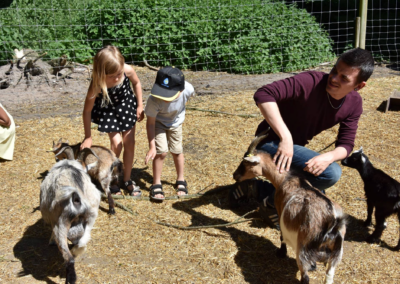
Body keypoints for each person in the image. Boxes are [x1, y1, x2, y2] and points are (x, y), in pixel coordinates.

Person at [230, 47, 375, 229]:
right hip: (268, 143)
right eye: (334, 71)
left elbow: (346, 144)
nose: (334, 78)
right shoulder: (310, 81)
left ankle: (263, 193)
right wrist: (286, 137)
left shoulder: (354, 104)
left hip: (292, 148)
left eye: (344, 78)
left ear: (359, 86)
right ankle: (264, 195)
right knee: (331, 174)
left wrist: (328, 157)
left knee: (320, 183)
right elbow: (263, 94)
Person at [81, 45, 144, 196]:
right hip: (109, 111)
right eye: (112, 76)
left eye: (119, 74)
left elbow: (137, 83)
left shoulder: (127, 70)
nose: (117, 78)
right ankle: (113, 180)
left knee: (130, 143)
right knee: (116, 144)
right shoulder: (96, 85)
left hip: (126, 106)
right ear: (101, 73)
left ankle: (127, 179)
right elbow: (87, 110)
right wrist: (88, 136)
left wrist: (140, 105)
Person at [144, 66, 195, 201]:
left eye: (168, 95)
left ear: (181, 90)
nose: (164, 98)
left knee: (177, 151)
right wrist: (152, 146)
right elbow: (150, 123)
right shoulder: (154, 100)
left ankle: (181, 179)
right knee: (161, 152)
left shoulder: (188, 89)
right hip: (158, 124)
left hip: (175, 123)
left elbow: (187, 98)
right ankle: (156, 183)